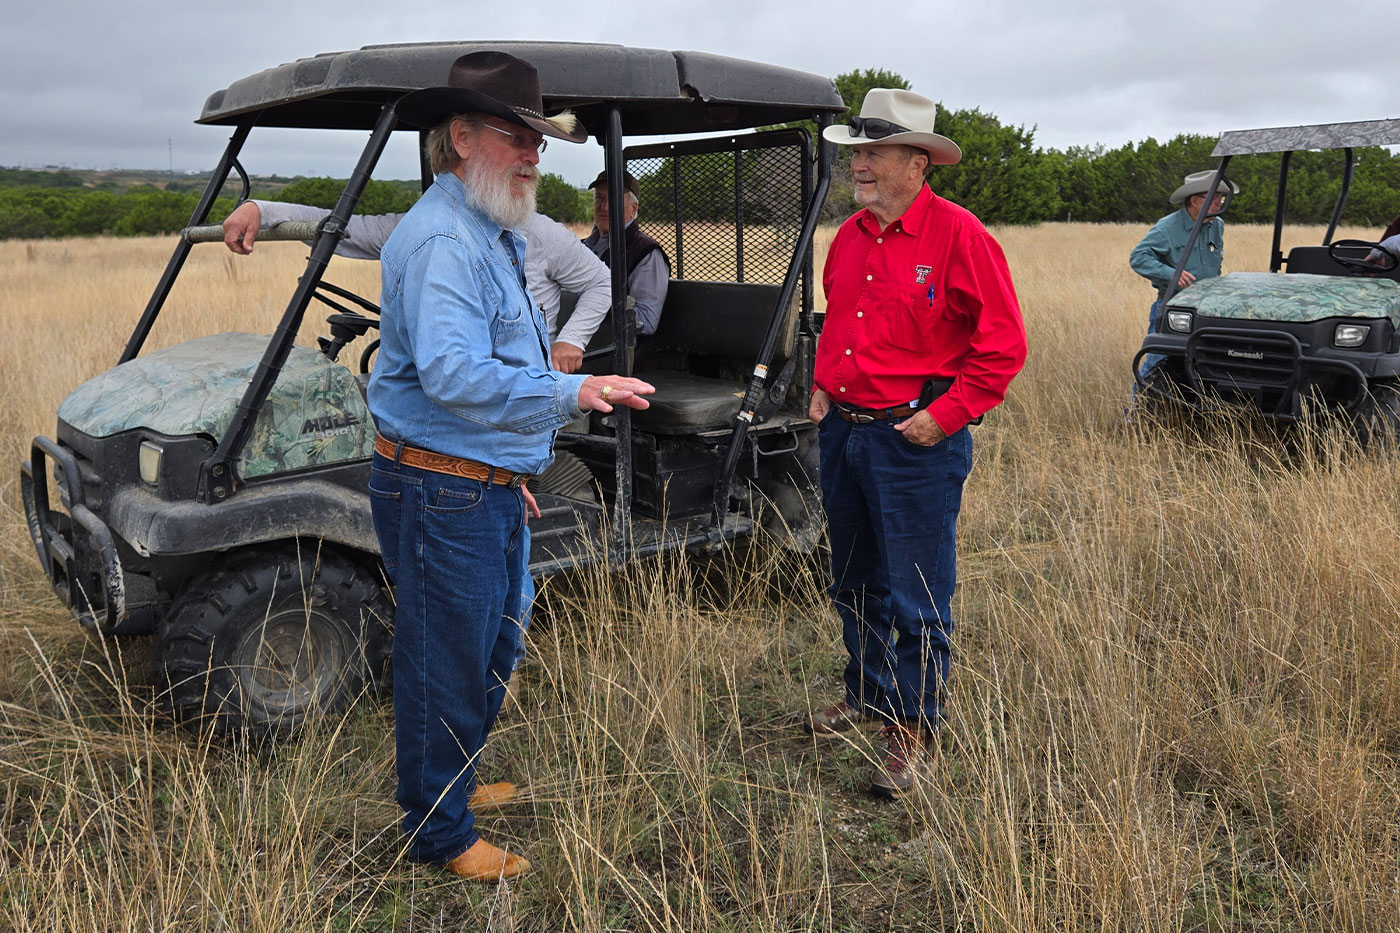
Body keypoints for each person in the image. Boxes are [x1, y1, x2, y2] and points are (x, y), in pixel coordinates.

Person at [366, 50, 653, 882]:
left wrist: (509, 466)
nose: (535, 154)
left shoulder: (490, 229)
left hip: (481, 483)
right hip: (441, 488)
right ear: (460, 136)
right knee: (446, 656)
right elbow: (454, 376)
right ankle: (440, 833)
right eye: (516, 136)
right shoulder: (446, 241)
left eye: (540, 140)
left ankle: (447, 783)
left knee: (492, 643)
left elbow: (483, 366)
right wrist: (574, 389)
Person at [804, 89, 1027, 797]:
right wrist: (821, 384)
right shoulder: (850, 237)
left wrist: (949, 413)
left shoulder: (961, 237)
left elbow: (1003, 347)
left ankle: (913, 725)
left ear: (917, 163)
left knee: (917, 593)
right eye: (856, 153)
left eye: (873, 153)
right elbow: (837, 321)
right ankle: (868, 693)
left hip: (913, 440)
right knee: (852, 578)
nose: (858, 166)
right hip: (844, 432)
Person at [222, 203, 610, 375]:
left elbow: (601, 282)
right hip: (443, 390)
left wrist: (570, 341)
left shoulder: (537, 232)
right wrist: (263, 210)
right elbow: (347, 230)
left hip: (523, 388)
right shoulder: (424, 226)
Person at [1128, 170, 1238, 378]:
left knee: (1206, 363)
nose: (1220, 202)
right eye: (1214, 197)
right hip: (1174, 308)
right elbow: (1138, 257)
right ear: (1195, 201)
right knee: (1157, 363)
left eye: (1221, 197)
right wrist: (1171, 274)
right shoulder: (1167, 227)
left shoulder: (1217, 225)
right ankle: (1138, 410)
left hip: (1208, 309)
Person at [582, 170, 670, 335]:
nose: (605, 207)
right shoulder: (582, 247)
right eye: (600, 198)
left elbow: (646, 320)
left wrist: (588, 304)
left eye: (614, 199)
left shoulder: (646, 253)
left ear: (633, 209)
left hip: (618, 355)